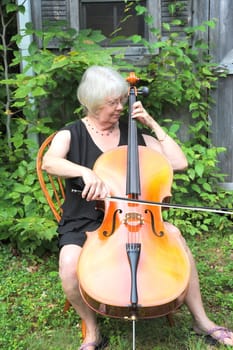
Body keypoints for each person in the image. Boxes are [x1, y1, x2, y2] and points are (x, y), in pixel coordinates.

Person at [42, 65, 233, 350]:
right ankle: (92, 332)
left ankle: (202, 320)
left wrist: (152, 124)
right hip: (82, 222)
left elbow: (179, 164)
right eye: (113, 102)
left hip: (135, 220)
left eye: (122, 100)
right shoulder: (71, 134)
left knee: (175, 236)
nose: (121, 107)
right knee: (69, 265)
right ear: (93, 104)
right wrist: (85, 171)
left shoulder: (135, 137)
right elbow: (50, 162)